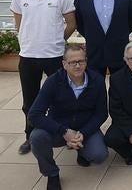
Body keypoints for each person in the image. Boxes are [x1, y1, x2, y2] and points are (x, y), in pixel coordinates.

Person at [10, 0, 76, 155]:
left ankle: (63, 133)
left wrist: (56, 40)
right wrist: (30, 41)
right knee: (29, 102)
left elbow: (72, 24)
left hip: (55, 56)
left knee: (61, 99)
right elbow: (20, 24)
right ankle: (30, 137)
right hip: (28, 57)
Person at [28, 44, 108, 190]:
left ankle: (81, 150)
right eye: (72, 62)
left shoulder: (97, 80)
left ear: (86, 61)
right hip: (59, 129)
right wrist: (64, 131)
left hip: (85, 129)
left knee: (99, 155)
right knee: (36, 137)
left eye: (81, 61)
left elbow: (101, 113)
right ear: (64, 64)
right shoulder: (53, 82)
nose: (78, 66)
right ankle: (52, 174)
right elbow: (34, 115)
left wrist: (83, 133)